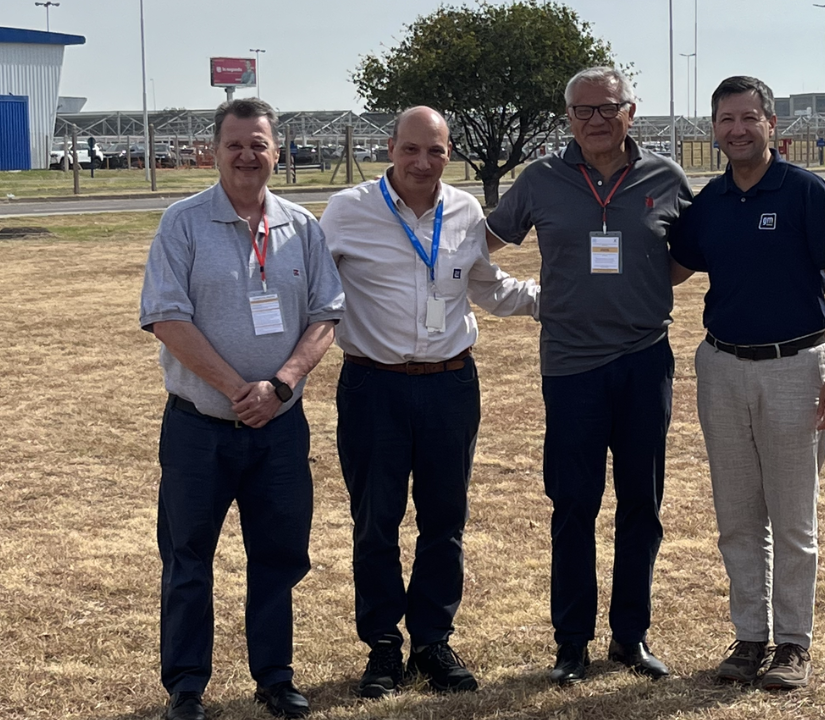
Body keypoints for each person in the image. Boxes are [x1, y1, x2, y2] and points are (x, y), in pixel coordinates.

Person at [320, 106, 539, 696]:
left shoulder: (465, 211)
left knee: (445, 520)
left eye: (435, 151)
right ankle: (384, 648)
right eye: (411, 149)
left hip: (450, 384)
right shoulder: (347, 211)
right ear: (389, 148)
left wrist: (566, 299)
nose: (422, 162)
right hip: (373, 386)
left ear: (450, 153)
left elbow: (487, 287)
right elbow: (311, 288)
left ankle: (433, 641)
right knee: (376, 521)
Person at [139, 98, 344, 720]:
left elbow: (324, 315)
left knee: (279, 556)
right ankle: (186, 687)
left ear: (275, 152)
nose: (247, 155)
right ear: (215, 150)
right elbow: (166, 317)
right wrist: (238, 390)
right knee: (188, 557)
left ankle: (275, 678)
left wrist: (279, 386)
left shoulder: (302, 226)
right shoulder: (183, 222)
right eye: (236, 144)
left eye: (259, 144)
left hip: (279, 429)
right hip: (199, 428)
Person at [485, 66, 692, 685]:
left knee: (641, 505)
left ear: (632, 110)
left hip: (643, 359)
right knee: (573, 504)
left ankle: (630, 636)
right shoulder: (541, 180)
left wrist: (641, 289)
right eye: (583, 111)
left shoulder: (666, 178)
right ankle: (570, 643)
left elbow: (686, 256)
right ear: (567, 117)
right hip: (571, 366)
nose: (596, 119)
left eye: (608, 108)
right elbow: (484, 243)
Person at [669, 76, 825, 690]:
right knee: (737, 517)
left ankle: (793, 642)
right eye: (725, 120)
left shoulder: (803, 192)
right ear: (713, 129)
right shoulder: (709, 202)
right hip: (721, 368)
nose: (737, 130)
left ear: (770, 125)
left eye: (748, 118)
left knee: (793, 520)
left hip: (795, 366)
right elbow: (673, 270)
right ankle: (749, 636)